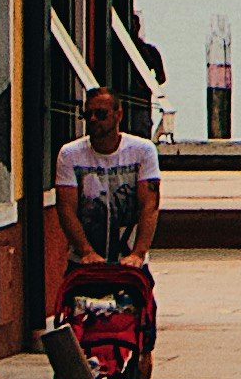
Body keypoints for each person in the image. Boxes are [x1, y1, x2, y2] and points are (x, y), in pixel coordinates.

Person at [57, 84, 162, 262]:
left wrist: (138, 253)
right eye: (87, 114)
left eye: (101, 114)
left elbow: (149, 206)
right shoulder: (70, 154)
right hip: (83, 260)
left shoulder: (142, 150)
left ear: (118, 115)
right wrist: (86, 251)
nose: (93, 119)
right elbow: (66, 208)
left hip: (129, 259)